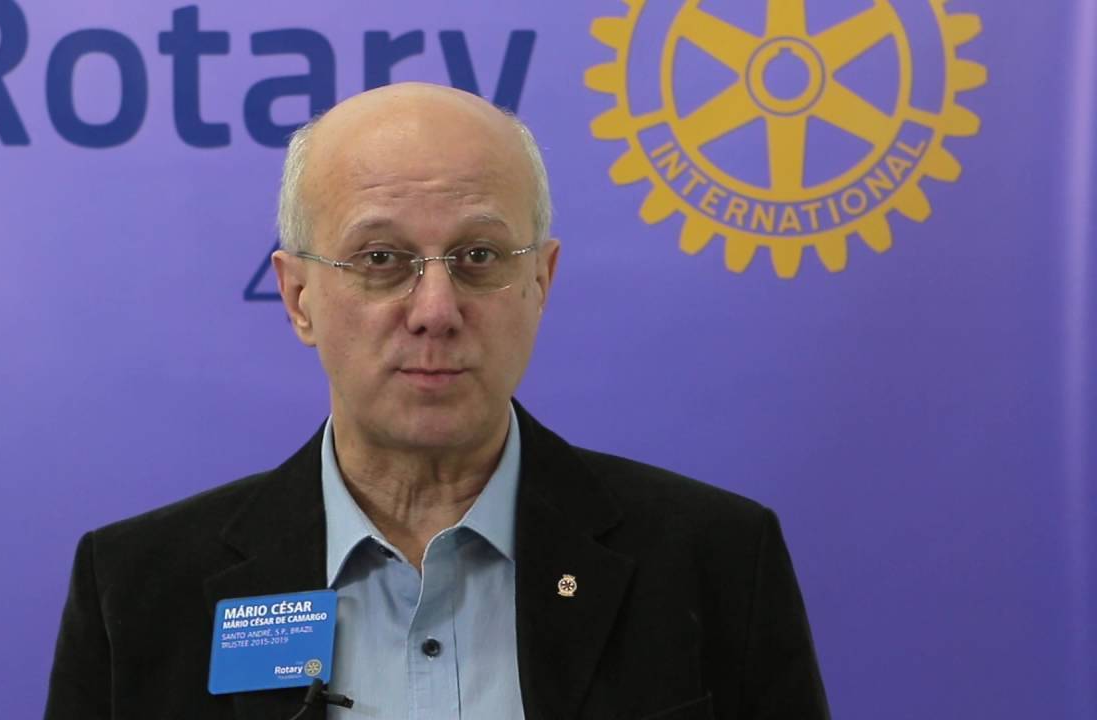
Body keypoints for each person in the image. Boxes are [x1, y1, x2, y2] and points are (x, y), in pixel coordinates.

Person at [44, 82, 829, 720]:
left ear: (541, 282)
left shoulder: (715, 562)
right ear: (298, 296)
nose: (435, 309)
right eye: (381, 258)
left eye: (478, 255)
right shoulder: (137, 593)